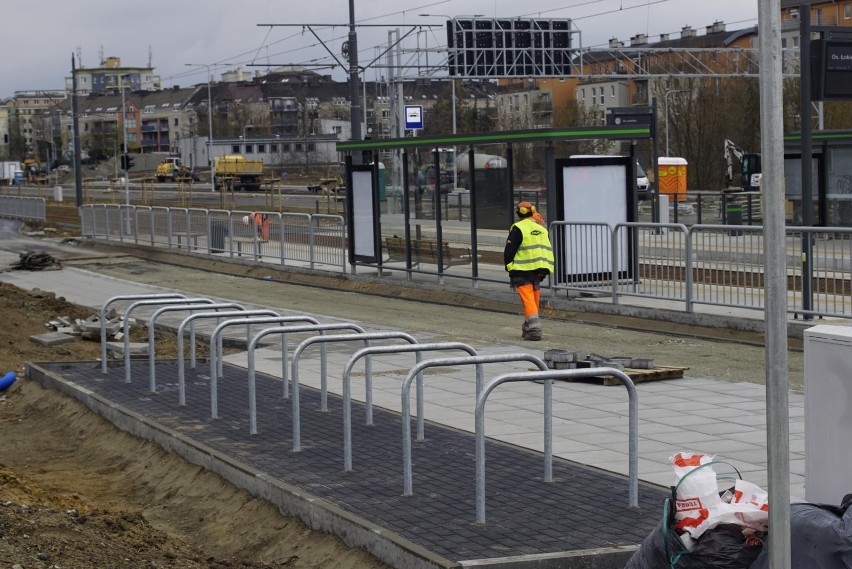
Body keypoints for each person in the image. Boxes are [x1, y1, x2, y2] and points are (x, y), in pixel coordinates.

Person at [503, 202, 554, 341]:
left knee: (529, 301)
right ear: (532, 212)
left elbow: (509, 250)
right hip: (540, 270)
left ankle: (535, 330)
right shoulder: (541, 229)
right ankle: (528, 328)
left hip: (522, 270)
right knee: (533, 299)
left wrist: (509, 266)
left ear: (518, 213)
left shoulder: (518, 228)